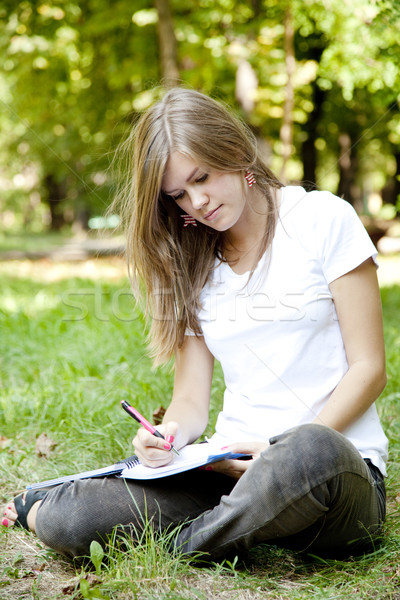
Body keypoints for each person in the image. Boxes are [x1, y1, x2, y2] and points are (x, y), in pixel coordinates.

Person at [2, 88, 388, 561]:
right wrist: (169, 436)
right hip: (227, 471)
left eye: (202, 177)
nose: (197, 202)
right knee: (73, 518)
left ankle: (183, 546)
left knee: (309, 448)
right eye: (179, 195)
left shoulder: (322, 218)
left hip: (331, 475)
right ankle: (229, 525)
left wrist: (274, 452)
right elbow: (189, 400)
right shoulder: (195, 261)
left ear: (234, 149)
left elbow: (369, 368)